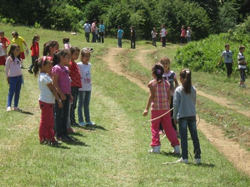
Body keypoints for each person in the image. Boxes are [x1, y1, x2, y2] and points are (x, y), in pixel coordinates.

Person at [143, 63, 180, 154]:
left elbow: (151, 96)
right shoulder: (166, 83)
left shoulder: (152, 83)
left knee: (155, 128)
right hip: (165, 109)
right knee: (169, 127)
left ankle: (156, 147)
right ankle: (176, 147)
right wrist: (168, 106)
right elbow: (169, 97)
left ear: (153, 73)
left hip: (156, 109)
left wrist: (146, 109)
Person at [173, 69, 201, 164]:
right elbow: (194, 102)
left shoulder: (178, 90)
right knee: (194, 136)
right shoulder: (193, 89)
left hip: (182, 116)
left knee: (184, 137)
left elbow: (175, 104)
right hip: (192, 115)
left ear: (181, 78)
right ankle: (198, 157)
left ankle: (184, 157)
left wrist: (174, 117)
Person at [33, 56, 63, 145]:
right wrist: (59, 100)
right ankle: (43, 138)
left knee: (50, 121)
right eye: (49, 65)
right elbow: (53, 89)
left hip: (49, 102)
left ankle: (50, 138)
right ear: (43, 66)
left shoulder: (45, 76)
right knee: (45, 121)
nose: (51, 66)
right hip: (46, 102)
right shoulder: (44, 77)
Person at [52, 49, 74, 141]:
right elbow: (55, 83)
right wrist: (61, 94)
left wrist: (70, 94)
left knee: (65, 115)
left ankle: (65, 133)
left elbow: (68, 83)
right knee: (59, 115)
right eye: (67, 57)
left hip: (67, 94)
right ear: (61, 58)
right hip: (61, 95)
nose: (69, 59)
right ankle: (59, 133)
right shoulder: (56, 68)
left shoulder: (66, 68)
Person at [160, 57, 179, 135]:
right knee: (161, 112)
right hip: (162, 96)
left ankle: (173, 128)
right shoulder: (160, 74)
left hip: (171, 96)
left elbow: (177, 83)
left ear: (169, 64)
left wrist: (175, 87)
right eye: (163, 63)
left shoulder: (172, 74)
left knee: (171, 112)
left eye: (166, 63)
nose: (165, 65)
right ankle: (160, 128)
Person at [77, 48, 95, 126]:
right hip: (81, 88)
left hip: (88, 87)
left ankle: (88, 120)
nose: (87, 58)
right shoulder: (79, 65)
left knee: (86, 104)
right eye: (86, 56)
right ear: (82, 57)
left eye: (89, 56)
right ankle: (81, 120)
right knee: (80, 103)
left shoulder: (89, 65)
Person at [5, 44, 23, 111]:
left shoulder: (18, 59)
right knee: (11, 92)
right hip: (13, 78)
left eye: (19, 50)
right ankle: (9, 106)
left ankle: (15, 106)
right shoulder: (9, 59)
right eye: (16, 50)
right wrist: (7, 77)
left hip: (19, 77)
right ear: (12, 51)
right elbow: (6, 69)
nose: (18, 51)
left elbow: (19, 67)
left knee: (17, 92)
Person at [68, 47, 81, 130]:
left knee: (74, 104)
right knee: (72, 104)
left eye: (78, 54)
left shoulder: (74, 63)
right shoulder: (70, 64)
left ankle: (72, 119)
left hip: (76, 86)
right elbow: (68, 74)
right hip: (72, 86)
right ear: (71, 54)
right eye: (75, 54)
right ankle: (71, 120)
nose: (77, 56)